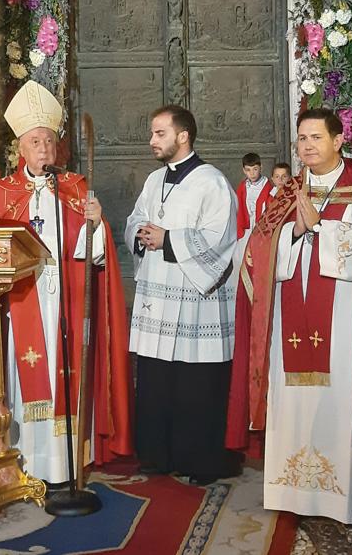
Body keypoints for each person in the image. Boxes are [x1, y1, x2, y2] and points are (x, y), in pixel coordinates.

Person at [227, 108, 352, 525]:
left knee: (344, 396)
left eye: (316, 138)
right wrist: (294, 231)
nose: (307, 146)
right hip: (289, 315)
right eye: (301, 139)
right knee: (293, 399)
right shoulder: (289, 190)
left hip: (346, 314)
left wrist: (321, 229)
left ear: (339, 141)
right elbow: (258, 249)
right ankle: (294, 493)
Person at [0, 81, 133, 483]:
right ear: (21, 149)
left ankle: (64, 461)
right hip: (23, 297)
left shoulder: (74, 187)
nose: (44, 148)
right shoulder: (4, 192)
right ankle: (28, 457)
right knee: (26, 375)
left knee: (68, 371)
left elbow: (96, 251)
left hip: (66, 296)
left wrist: (96, 224)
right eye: (35, 141)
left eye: (50, 141)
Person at [125, 106, 239, 483]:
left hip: (195, 304)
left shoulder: (212, 182)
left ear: (183, 135)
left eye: (160, 133)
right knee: (158, 379)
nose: (152, 140)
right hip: (159, 299)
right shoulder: (155, 179)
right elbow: (135, 219)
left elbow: (221, 238)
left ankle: (199, 459)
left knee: (195, 384)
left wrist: (168, 240)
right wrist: (141, 234)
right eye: (153, 133)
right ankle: (157, 454)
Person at [235, 153, 273, 241]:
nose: (252, 173)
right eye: (248, 170)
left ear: (261, 168)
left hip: (261, 225)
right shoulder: (242, 187)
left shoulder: (268, 187)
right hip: (246, 226)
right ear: (244, 170)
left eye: (255, 169)